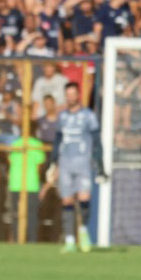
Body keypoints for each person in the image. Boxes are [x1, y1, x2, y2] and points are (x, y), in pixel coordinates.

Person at [50, 81, 99, 253]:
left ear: (78, 95)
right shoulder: (62, 117)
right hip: (65, 163)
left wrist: (100, 163)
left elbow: (97, 140)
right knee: (67, 200)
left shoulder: (88, 116)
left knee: (84, 198)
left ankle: (83, 229)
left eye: (73, 94)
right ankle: (70, 240)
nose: (71, 97)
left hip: (83, 162)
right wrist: (53, 162)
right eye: (68, 95)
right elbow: (58, 140)